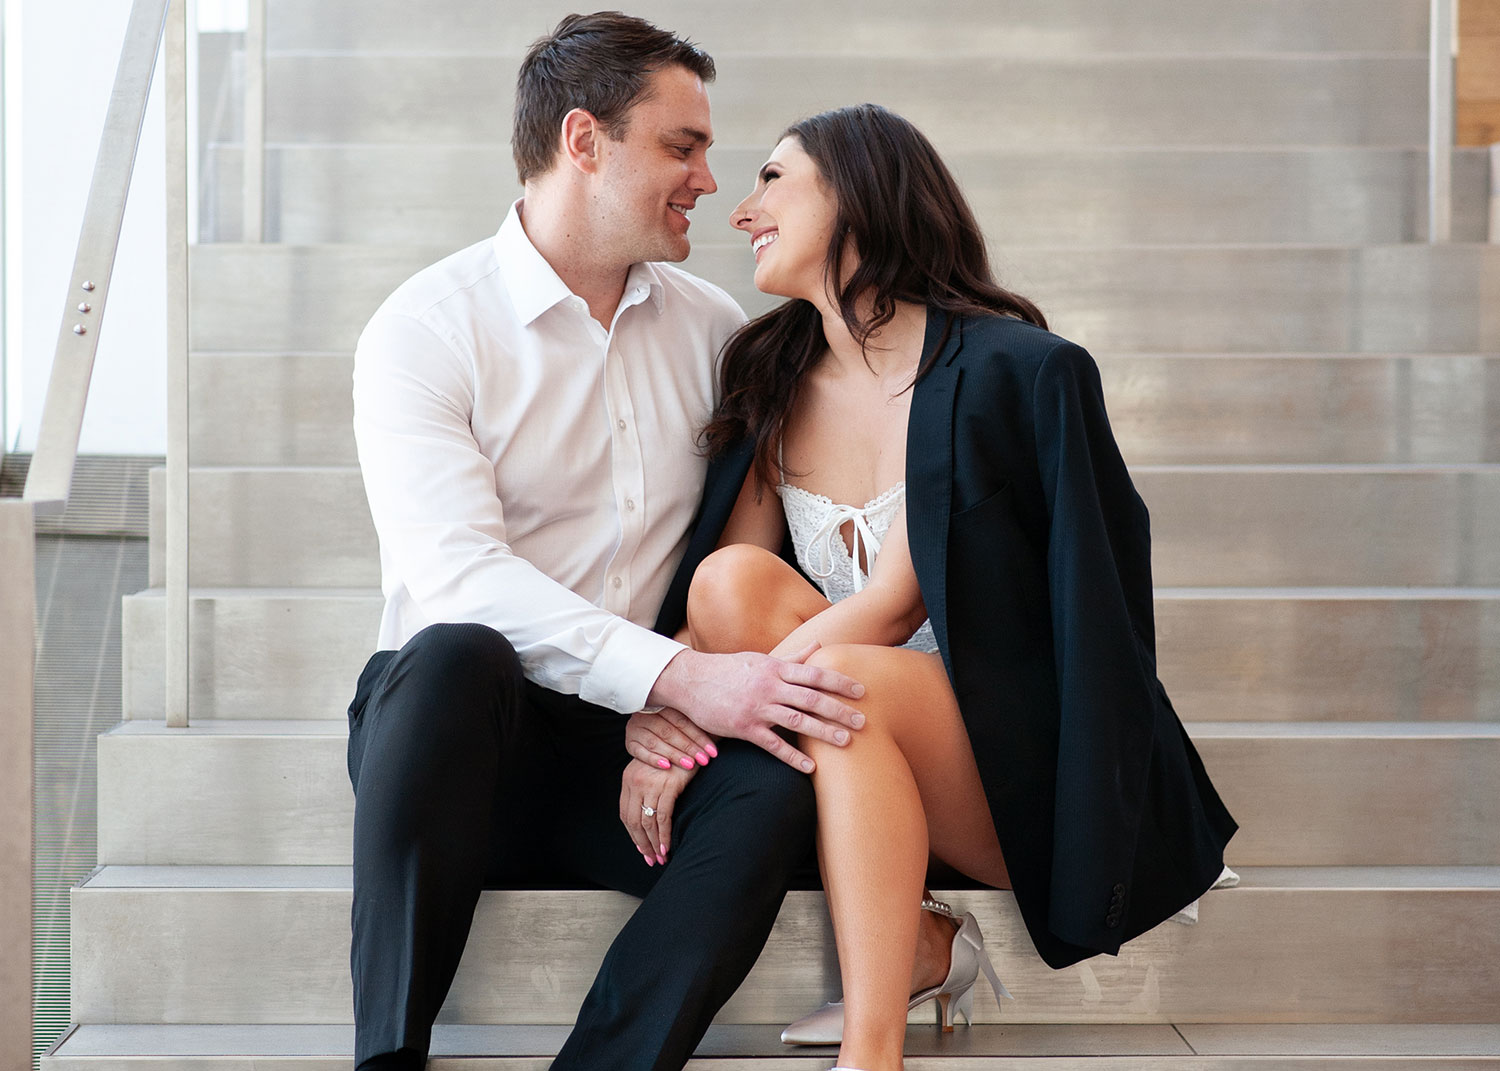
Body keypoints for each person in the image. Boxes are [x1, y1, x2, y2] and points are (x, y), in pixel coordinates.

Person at [623, 103, 1239, 1071]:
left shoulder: (1005, 370)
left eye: (772, 180)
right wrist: (679, 709)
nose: (742, 210)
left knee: (849, 684)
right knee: (733, 581)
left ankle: (872, 1054)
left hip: (1012, 768)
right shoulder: (773, 372)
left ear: (859, 194)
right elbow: (718, 612)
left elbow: (898, 606)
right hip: (858, 749)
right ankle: (912, 936)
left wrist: (717, 714)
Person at [346, 14, 871, 1071]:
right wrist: (668, 676)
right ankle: (386, 1058)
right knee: (451, 654)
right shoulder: (427, 328)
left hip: (640, 743)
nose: (709, 181)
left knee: (767, 786)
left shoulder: (715, 328)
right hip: (463, 742)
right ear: (583, 142)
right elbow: (459, 582)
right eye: (682, 147)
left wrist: (671, 699)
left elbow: (766, 530)